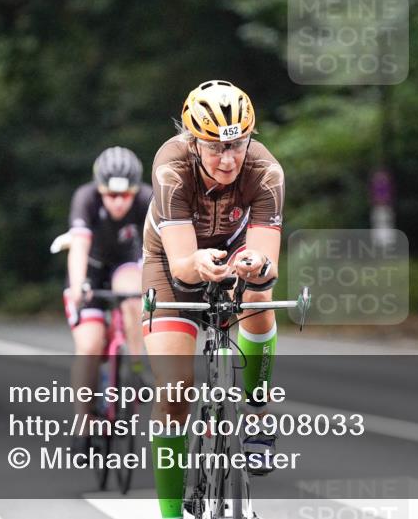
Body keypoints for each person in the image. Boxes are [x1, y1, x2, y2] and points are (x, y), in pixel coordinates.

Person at [142, 80, 285, 519]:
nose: (228, 160)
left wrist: (255, 264)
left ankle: (257, 410)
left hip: (236, 252)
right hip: (172, 261)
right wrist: (200, 262)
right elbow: (184, 264)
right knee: (174, 393)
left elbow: (268, 262)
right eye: (214, 148)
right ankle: (170, 515)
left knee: (260, 297)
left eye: (238, 145)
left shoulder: (266, 173)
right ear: (192, 140)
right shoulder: (171, 167)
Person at [64, 146, 151, 447]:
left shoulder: (146, 199)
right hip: (90, 271)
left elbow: (161, 249)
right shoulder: (85, 198)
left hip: (127, 266)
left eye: (124, 195)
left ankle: (136, 368)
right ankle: (83, 421)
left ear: (135, 190)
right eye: (110, 195)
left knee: (133, 295)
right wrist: (77, 287)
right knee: (89, 346)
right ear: (99, 189)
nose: (117, 202)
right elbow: (78, 247)